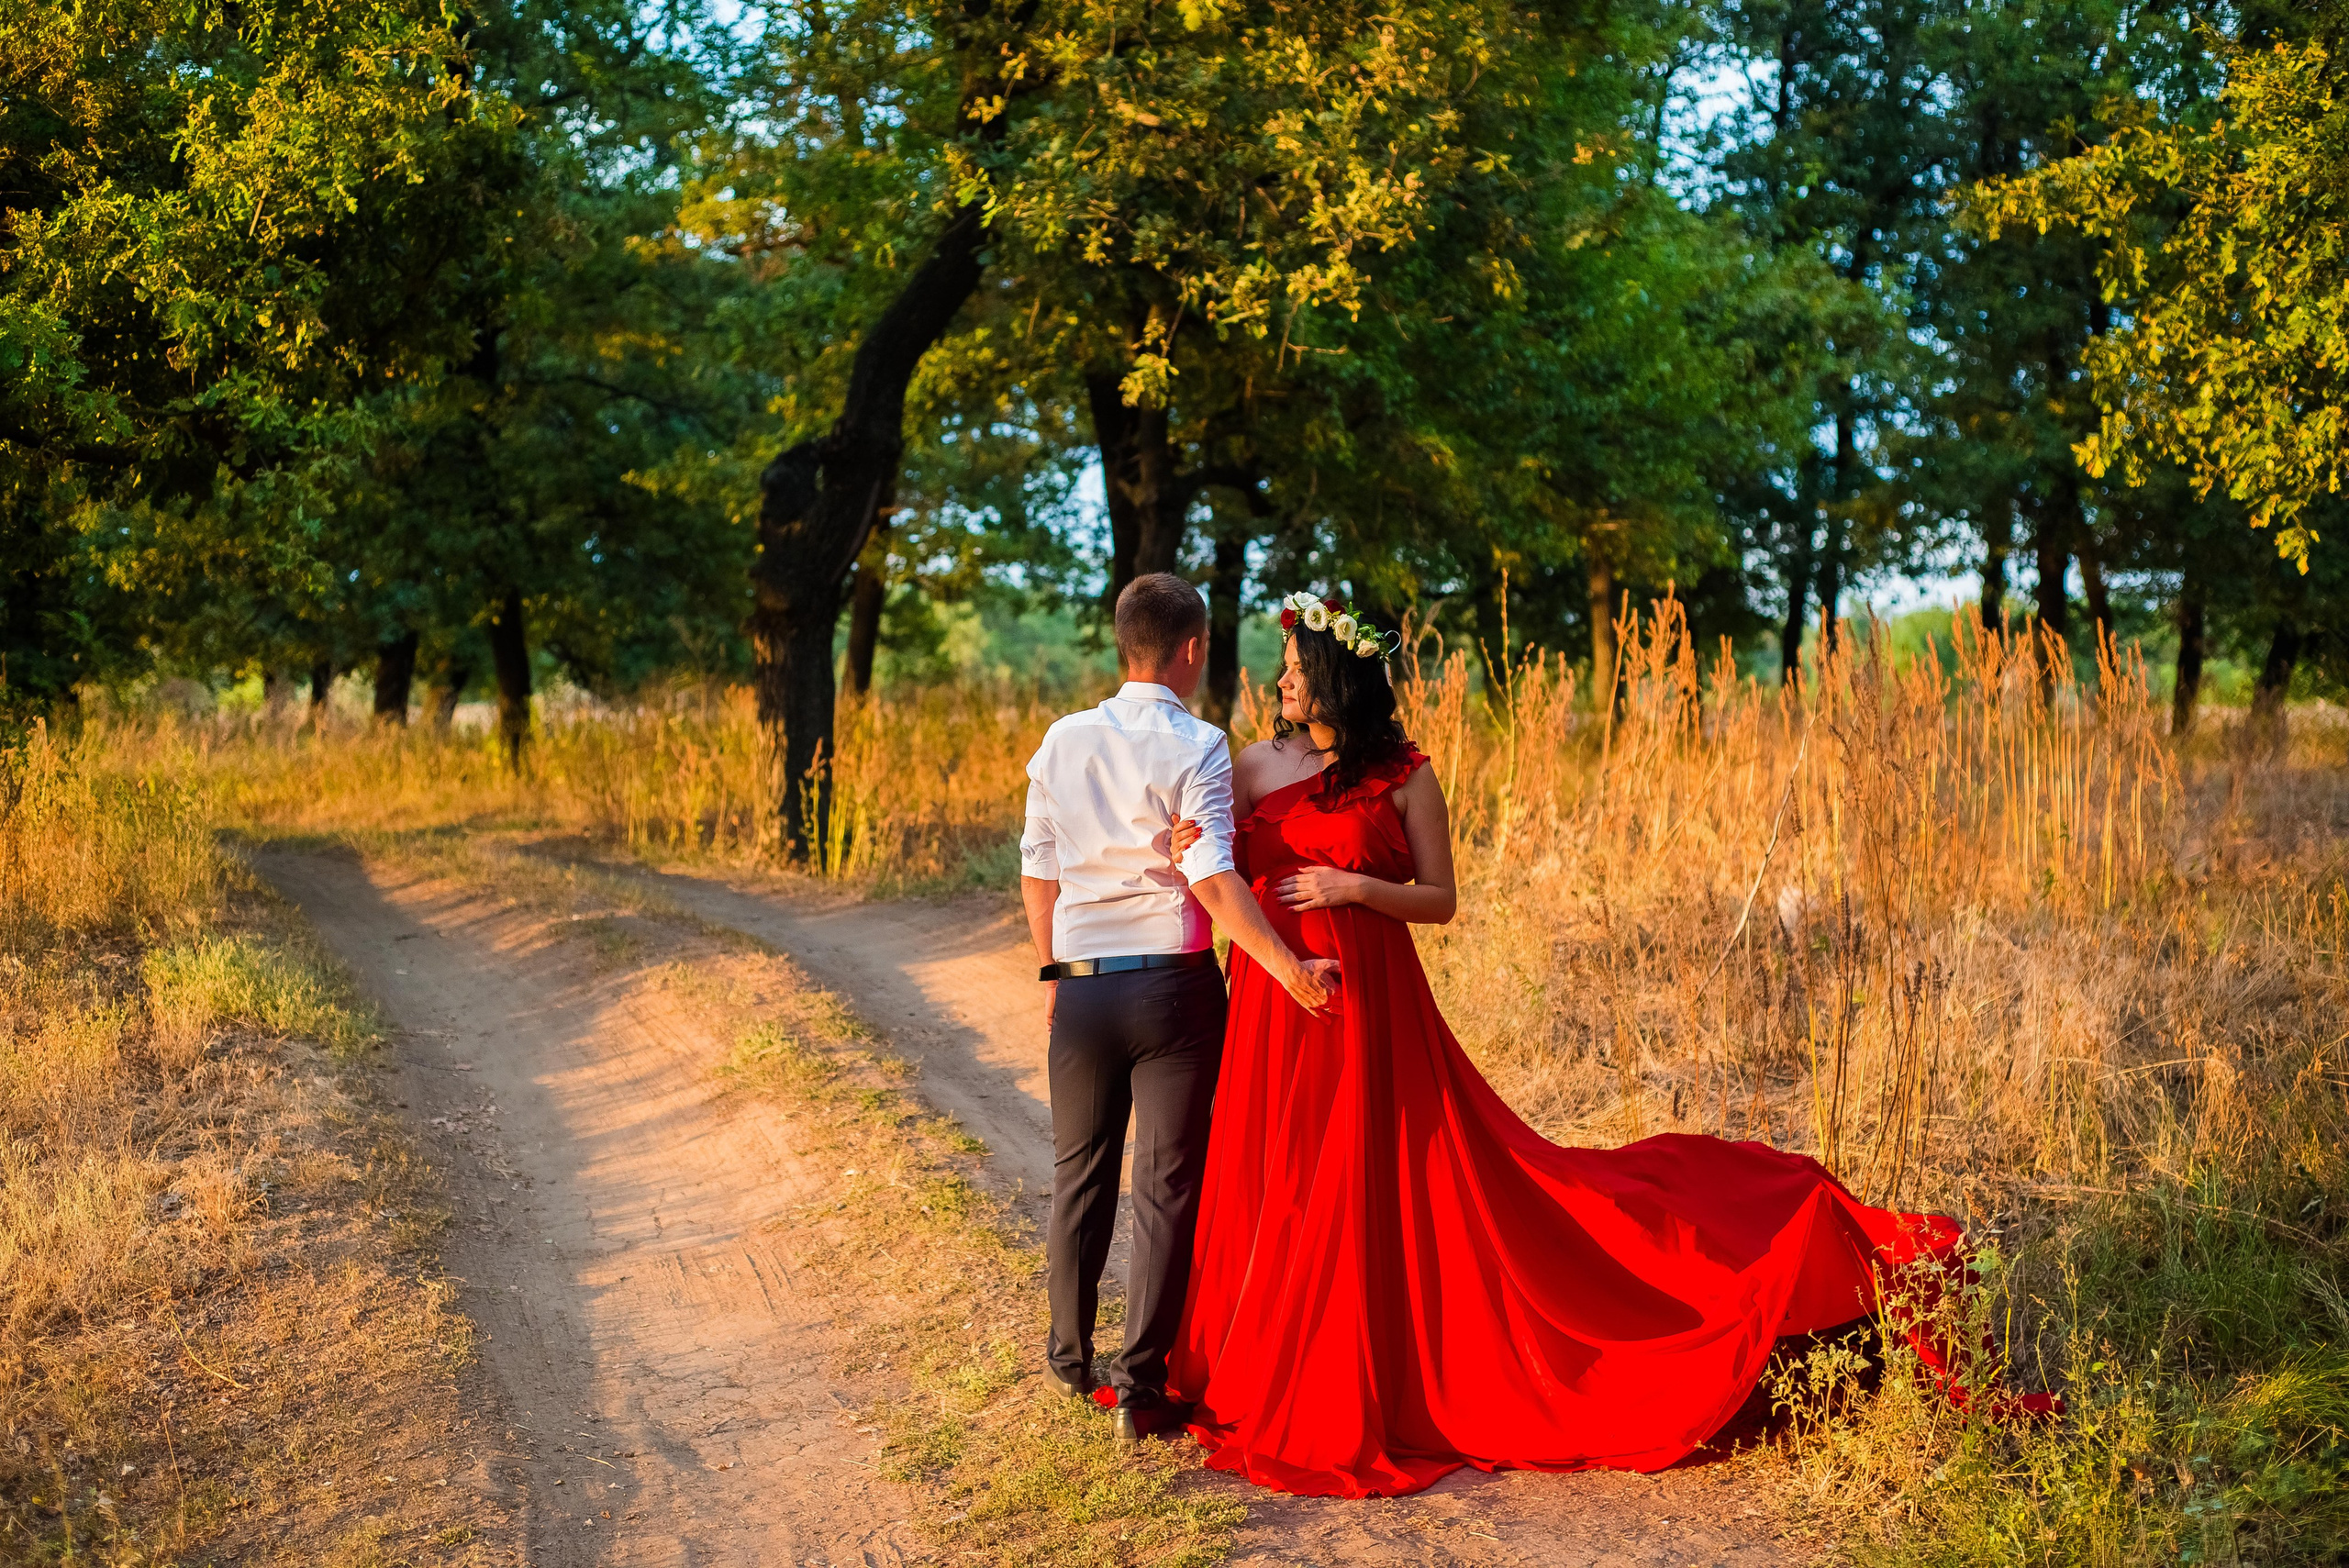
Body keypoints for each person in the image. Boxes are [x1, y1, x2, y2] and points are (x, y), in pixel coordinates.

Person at [1156, 590, 1985, 1498]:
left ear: (1338, 679)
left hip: (1372, 1002)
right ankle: (1266, 1357)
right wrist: (1186, 845)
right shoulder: (1250, 765)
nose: (1279, 682)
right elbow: (1219, 867)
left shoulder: (1405, 776)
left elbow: (1440, 898)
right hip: (1279, 999)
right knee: (1283, 1172)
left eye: (1294, 670)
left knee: (1379, 1174)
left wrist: (1357, 890)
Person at [1018, 573, 1340, 1446]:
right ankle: (1139, 1385)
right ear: (1191, 650)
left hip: (1081, 983)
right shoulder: (1198, 743)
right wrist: (1284, 964)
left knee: (1078, 1171)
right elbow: (1211, 875)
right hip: (1174, 985)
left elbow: (1038, 871)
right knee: (1165, 1185)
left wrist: (1056, 973)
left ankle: (1068, 1356)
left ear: (1123, 642)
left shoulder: (1060, 739)